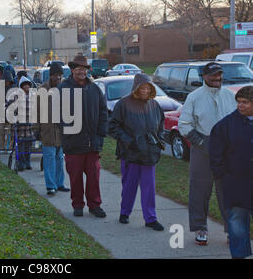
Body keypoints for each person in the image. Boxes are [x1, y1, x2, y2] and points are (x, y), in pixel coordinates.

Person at [178, 62, 237, 245]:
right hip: (202, 147)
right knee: (199, 191)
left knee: (228, 192)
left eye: (219, 74)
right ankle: (200, 228)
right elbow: (184, 125)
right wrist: (203, 143)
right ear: (204, 77)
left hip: (227, 150)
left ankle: (232, 230)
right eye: (212, 75)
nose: (217, 78)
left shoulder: (230, 96)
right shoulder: (194, 97)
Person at [108, 73, 166, 231]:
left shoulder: (154, 105)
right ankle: (124, 212)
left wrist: (159, 141)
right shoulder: (123, 104)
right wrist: (129, 141)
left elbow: (161, 124)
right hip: (130, 153)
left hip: (149, 153)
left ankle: (150, 218)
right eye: (143, 87)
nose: (146, 90)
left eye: (148, 87)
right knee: (129, 186)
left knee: (149, 187)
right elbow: (112, 127)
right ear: (136, 87)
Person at [58, 55, 108, 218]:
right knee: (75, 177)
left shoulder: (94, 89)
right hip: (73, 143)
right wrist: (67, 133)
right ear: (72, 70)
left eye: (84, 69)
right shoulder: (62, 89)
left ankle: (95, 205)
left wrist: (100, 135)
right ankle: (78, 205)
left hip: (92, 143)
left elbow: (103, 113)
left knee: (94, 177)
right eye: (78, 69)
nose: (81, 72)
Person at [209, 85, 253, 259]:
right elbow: (215, 152)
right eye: (238, 102)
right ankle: (240, 254)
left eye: (245, 102)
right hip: (236, 181)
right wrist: (221, 174)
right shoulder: (226, 125)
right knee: (236, 219)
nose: (240, 106)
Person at [34, 63, 70, 195]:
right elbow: (37, 111)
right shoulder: (42, 90)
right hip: (47, 130)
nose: (59, 78)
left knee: (60, 158)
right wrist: (36, 129)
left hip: (60, 130)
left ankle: (60, 183)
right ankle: (50, 185)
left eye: (60, 76)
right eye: (56, 76)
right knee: (49, 158)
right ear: (51, 76)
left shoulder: (64, 89)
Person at [0, 69, 17, 151]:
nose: (7, 83)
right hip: (0, 113)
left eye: (9, 81)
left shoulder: (14, 88)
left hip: (11, 114)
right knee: (0, 132)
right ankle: (1, 147)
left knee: (11, 132)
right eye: (6, 81)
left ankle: (9, 147)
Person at [16, 76, 36, 171]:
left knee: (28, 145)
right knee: (21, 145)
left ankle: (28, 162)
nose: (27, 87)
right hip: (20, 125)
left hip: (30, 124)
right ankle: (21, 162)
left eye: (28, 85)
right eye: (25, 85)